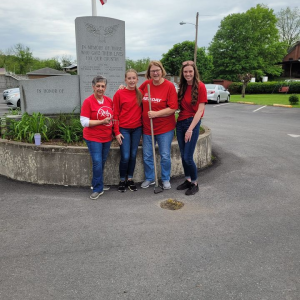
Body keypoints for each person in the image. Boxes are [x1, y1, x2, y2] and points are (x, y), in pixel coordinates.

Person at [139, 61, 178, 189]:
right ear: (149, 73)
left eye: (157, 70)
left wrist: (156, 114)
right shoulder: (146, 84)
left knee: (165, 155)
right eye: (152, 71)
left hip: (164, 128)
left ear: (162, 71)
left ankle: (166, 178)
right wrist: (124, 88)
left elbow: (173, 108)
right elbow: (135, 94)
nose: (155, 73)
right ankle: (150, 178)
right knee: (148, 155)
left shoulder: (169, 86)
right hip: (147, 128)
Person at [176, 61, 207, 195]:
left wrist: (190, 129)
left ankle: (195, 183)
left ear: (194, 72)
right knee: (183, 156)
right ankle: (188, 180)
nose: (188, 74)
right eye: (185, 72)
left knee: (188, 157)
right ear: (182, 74)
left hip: (192, 123)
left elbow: (200, 111)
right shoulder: (182, 87)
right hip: (180, 122)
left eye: (190, 71)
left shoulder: (200, 86)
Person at [80, 75, 113, 200]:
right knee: (97, 162)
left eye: (103, 86)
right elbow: (84, 122)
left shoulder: (109, 101)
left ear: (105, 88)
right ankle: (98, 189)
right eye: (98, 86)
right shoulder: (88, 102)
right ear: (93, 87)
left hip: (106, 137)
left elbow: (113, 118)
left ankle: (96, 183)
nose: (100, 88)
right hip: (93, 137)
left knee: (101, 162)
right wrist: (101, 121)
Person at [113, 69, 143, 192]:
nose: (131, 80)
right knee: (125, 156)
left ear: (137, 79)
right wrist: (116, 132)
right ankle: (122, 180)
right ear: (125, 80)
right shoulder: (119, 94)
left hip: (137, 129)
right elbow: (115, 114)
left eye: (133, 78)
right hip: (123, 129)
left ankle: (130, 179)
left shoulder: (140, 93)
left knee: (133, 155)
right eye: (129, 78)